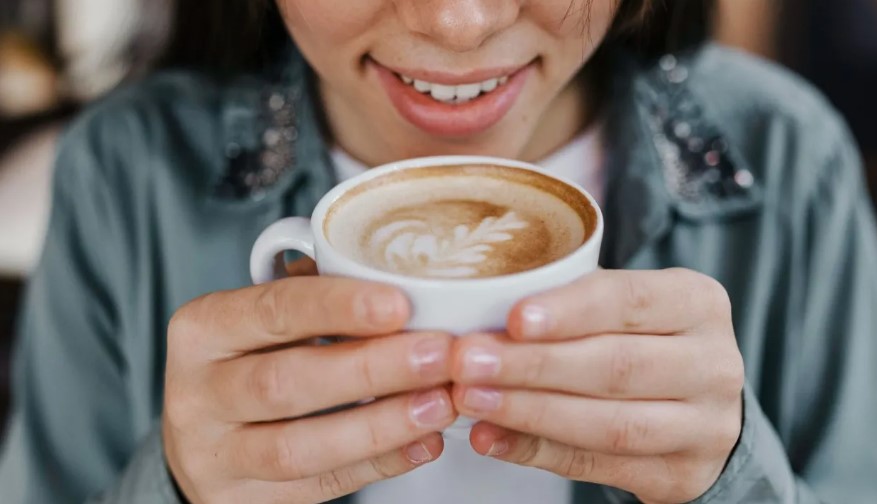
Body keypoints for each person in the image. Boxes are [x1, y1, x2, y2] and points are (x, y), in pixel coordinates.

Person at [1, 0, 875, 502]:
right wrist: (176, 487)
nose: (457, 23)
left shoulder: (789, 158)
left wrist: (733, 480)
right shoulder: (126, 174)